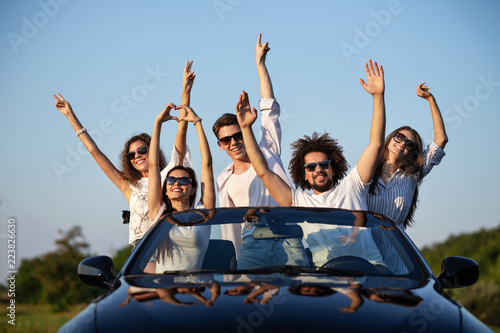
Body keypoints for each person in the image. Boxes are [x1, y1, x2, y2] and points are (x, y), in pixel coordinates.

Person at [236, 60, 386, 268]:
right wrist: (245, 129)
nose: (318, 170)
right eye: (311, 167)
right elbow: (263, 172)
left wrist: (378, 97)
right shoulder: (299, 200)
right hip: (325, 277)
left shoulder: (353, 186)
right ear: (303, 174)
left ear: (333, 168)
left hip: (371, 269)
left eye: (324, 164)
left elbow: (376, 144)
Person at [52, 61, 195, 247]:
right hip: (141, 249)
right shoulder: (129, 186)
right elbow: (94, 151)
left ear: (152, 151)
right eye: (132, 155)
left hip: (173, 242)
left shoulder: (170, 176)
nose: (138, 156)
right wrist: (71, 116)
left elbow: (181, 131)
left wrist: (185, 90)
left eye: (142, 150)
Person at [213, 33, 307, 267]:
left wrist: (260, 64)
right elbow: (230, 227)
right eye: (227, 140)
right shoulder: (223, 179)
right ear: (221, 145)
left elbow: (269, 109)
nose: (234, 142)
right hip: (251, 243)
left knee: (300, 295)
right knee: (243, 298)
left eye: (238, 135)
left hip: (287, 237)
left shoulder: (267, 150)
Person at [367, 83, 447, 274]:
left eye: (410, 144)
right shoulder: (367, 171)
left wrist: (430, 99)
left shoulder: (412, 175)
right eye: (400, 137)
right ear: (390, 139)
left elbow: (441, 139)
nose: (403, 143)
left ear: (412, 152)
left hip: (397, 259)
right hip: (365, 256)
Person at [148, 103, 215, 273]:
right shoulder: (158, 212)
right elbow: (153, 165)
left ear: (192, 189)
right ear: (165, 188)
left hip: (196, 291)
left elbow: (207, 164)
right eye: (171, 179)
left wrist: (197, 123)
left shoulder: (202, 214)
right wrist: (157, 123)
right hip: (163, 292)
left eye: (184, 180)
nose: (177, 183)